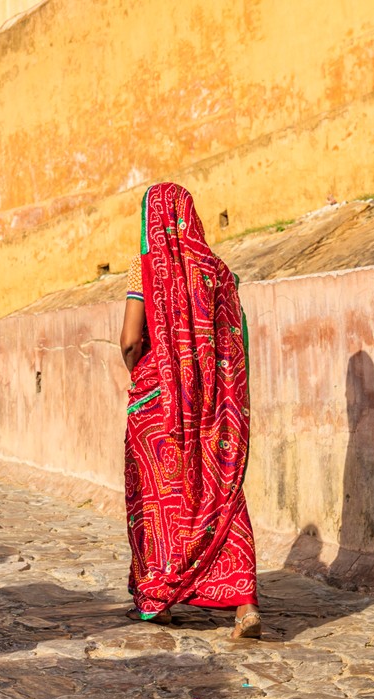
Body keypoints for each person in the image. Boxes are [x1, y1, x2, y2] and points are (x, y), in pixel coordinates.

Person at [119, 182, 261, 639]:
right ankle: (244, 604)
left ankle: (158, 596)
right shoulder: (219, 274)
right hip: (214, 406)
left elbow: (129, 339)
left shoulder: (145, 273)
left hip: (157, 406)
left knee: (162, 501)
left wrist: (142, 372)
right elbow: (233, 343)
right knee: (219, 493)